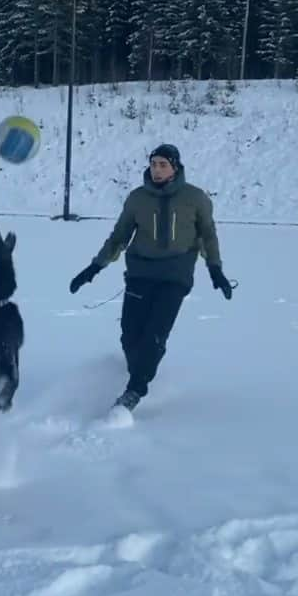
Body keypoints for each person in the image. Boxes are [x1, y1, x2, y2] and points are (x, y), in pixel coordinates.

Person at [69, 144, 233, 412]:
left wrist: (215, 269)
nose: (157, 169)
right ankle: (143, 367)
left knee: (154, 335)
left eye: (163, 165)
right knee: (129, 336)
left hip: (175, 276)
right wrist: (93, 268)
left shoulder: (196, 198)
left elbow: (208, 235)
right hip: (140, 274)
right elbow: (119, 237)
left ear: (175, 167)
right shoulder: (137, 198)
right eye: (154, 164)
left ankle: (135, 389)